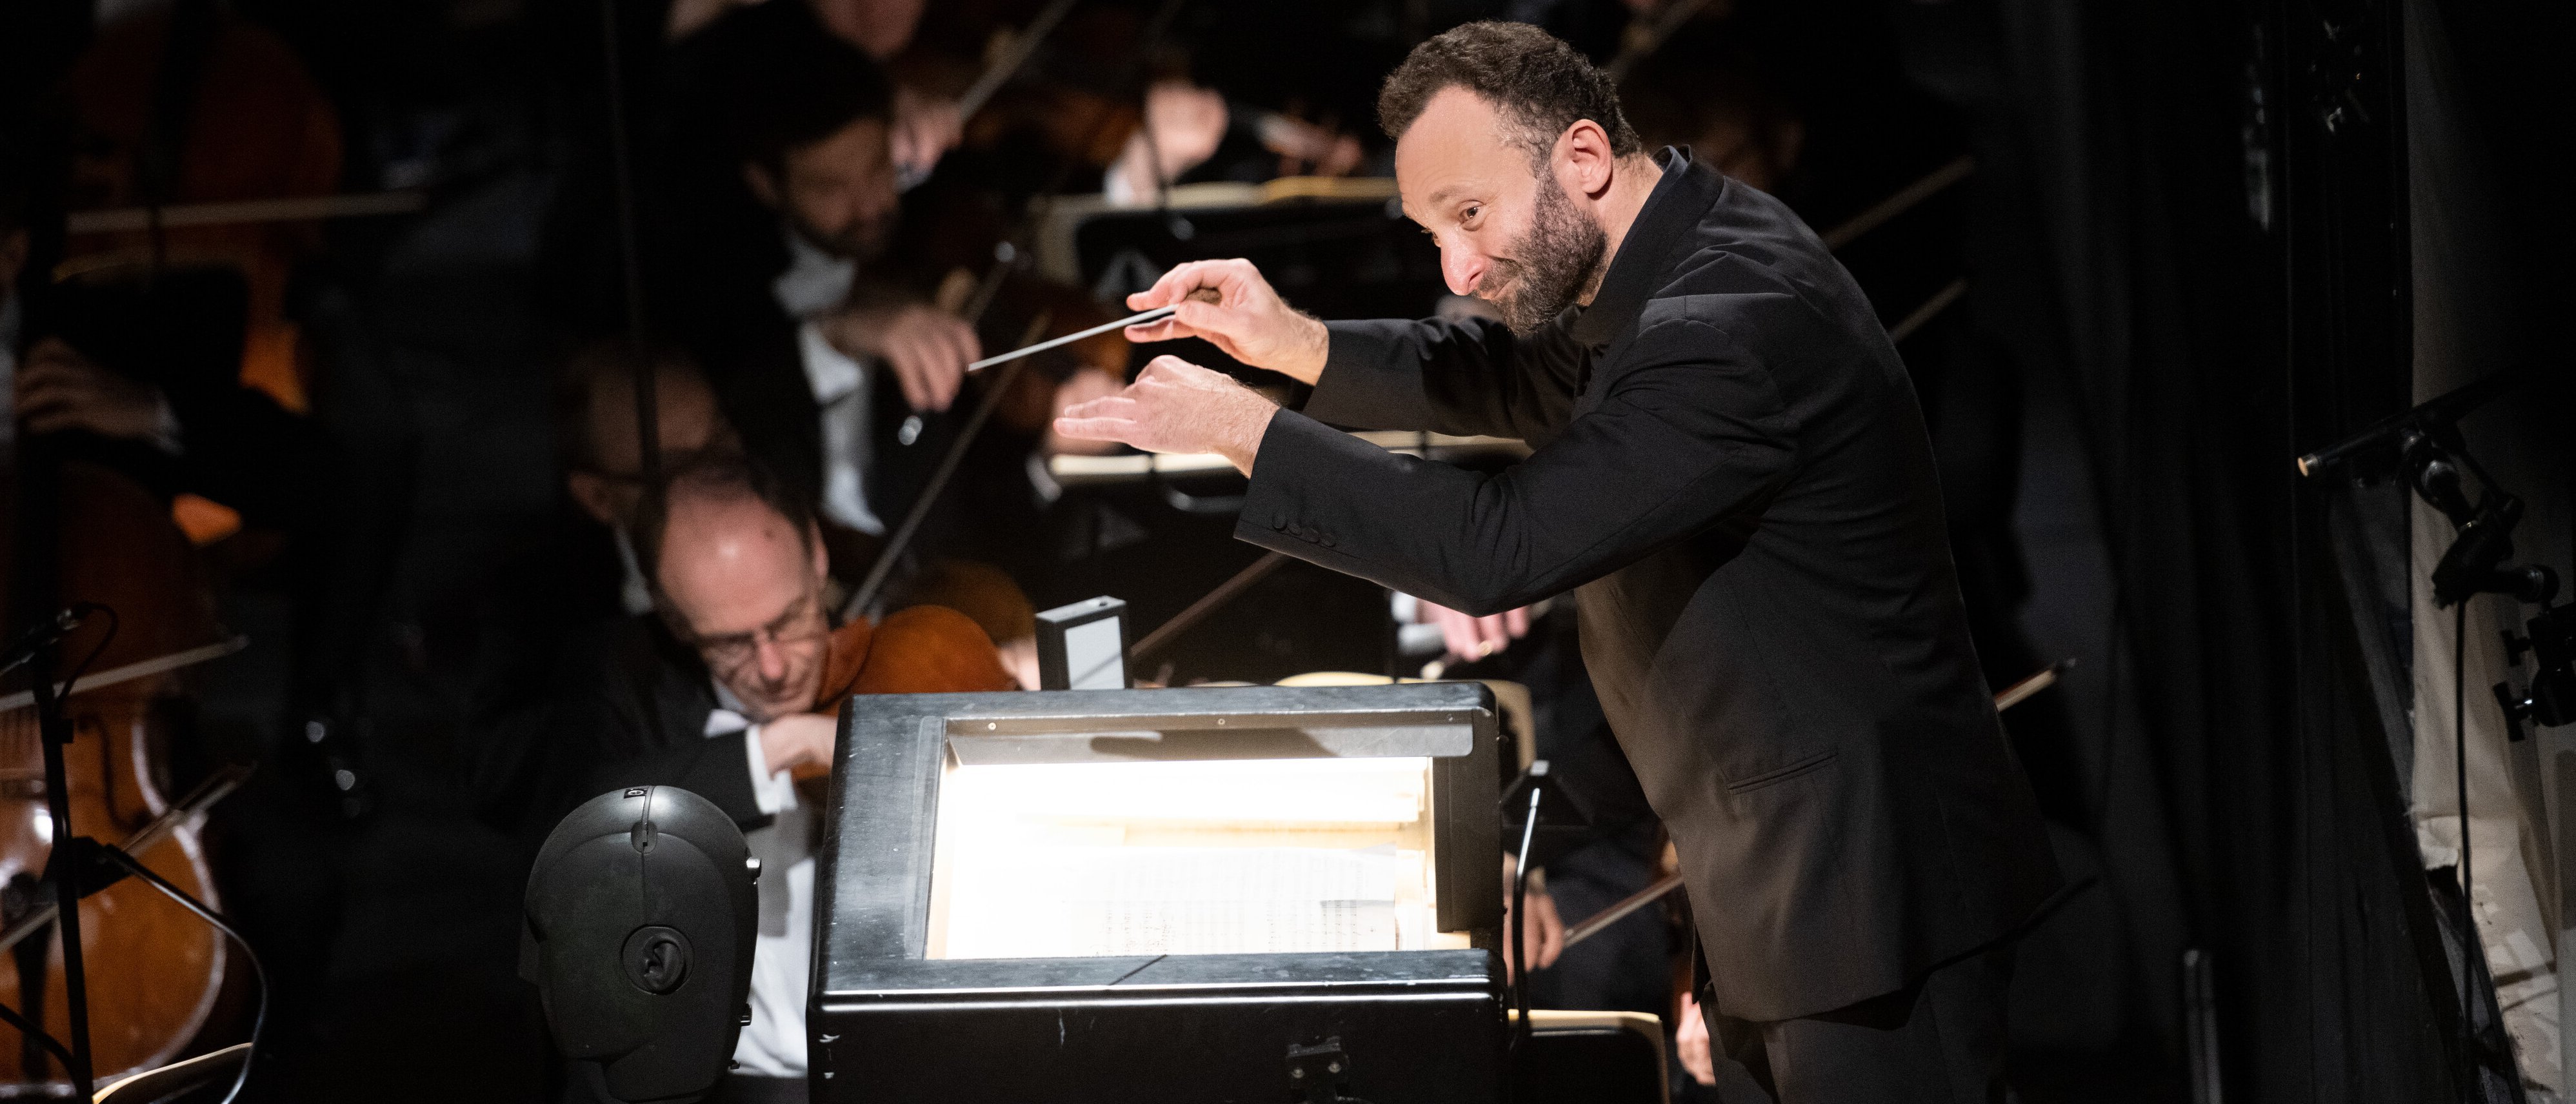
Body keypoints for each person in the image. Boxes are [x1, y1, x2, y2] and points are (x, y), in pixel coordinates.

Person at [1055, 22, 2059, 1102]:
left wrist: (1243, 429)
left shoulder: (1726, 326)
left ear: (1581, 156)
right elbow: (1508, 377)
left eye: (1469, 215)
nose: (1456, 268)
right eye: (1432, 231)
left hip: (1867, 889)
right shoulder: (1673, 250)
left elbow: (1500, 545)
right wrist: (1291, 342)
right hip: (1782, 874)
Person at [556, 454, 1012, 1102]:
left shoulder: (912, 658)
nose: (773, 668)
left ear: (818, 557)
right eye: (731, 643)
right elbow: (576, 826)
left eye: (790, 619)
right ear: (674, 617)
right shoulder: (620, 697)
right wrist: (779, 744)